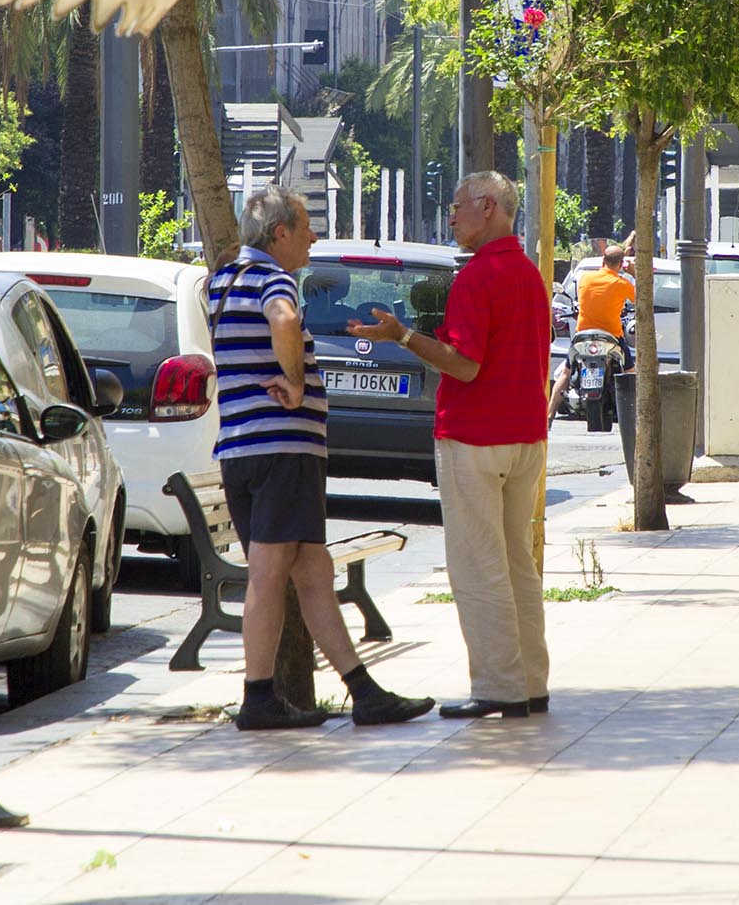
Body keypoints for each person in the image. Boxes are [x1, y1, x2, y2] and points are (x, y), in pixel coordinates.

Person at [210, 187, 434, 731]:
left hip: (243, 448)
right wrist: (293, 382)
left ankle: (364, 691)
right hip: (282, 449)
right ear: (280, 233)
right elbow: (284, 320)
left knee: (314, 569)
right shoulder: (274, 280)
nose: (313, 237)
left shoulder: (222, 280)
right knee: (268, 575)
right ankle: (258, 696)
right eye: (307, 226)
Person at [351, 172, 554, 719]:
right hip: (525, 437)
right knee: (516, 564)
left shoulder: (479, 277)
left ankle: (498, 687)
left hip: (475, 438)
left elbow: (464, 364)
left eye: (457, 206)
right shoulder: (530, 275)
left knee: (478, 565)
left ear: (488, 207)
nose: (452, 216)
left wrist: (403, 337)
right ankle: (530, 682)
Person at [547, 244, 635, 417]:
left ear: (603, 260)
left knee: (565, 372)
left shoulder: (584, 278)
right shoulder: (622, 283)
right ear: (621, 264)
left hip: (582, 336)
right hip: (612, 337)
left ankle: (549, 414)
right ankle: (632, 412)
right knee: (630, 373)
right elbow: (642, 299)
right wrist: (634, 274)